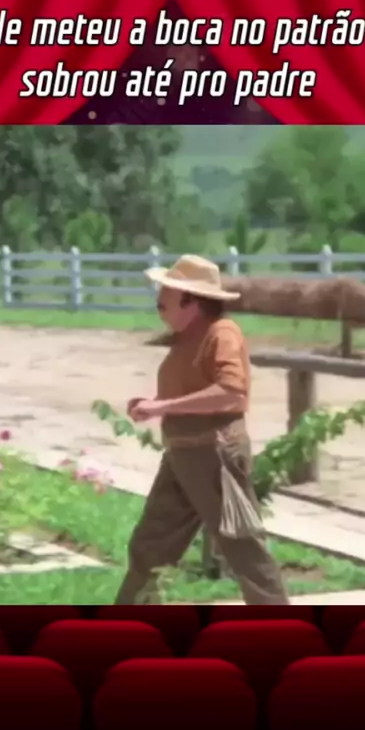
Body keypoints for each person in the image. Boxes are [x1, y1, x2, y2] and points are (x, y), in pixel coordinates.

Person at [114, 254, 289, 605]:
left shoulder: (222, 333)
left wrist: (162, 407)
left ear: (191, 301)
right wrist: (154, 403)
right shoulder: (186, 338)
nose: (159, 299)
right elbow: (192, 393)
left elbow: (231, 393)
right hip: (182, 453)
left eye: (167, 291)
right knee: (150, 545)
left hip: (214, 455)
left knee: (243, 547)